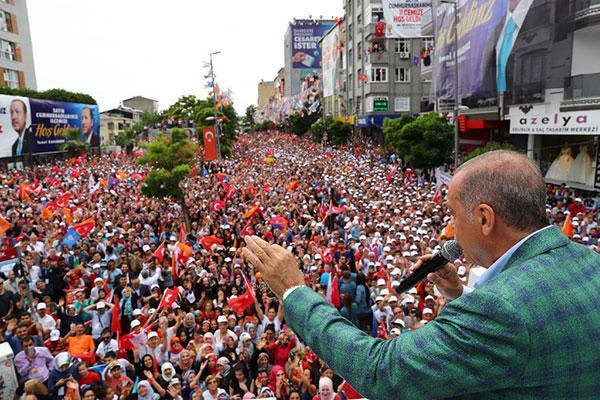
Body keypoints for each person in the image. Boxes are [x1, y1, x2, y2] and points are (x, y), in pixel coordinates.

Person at [243, 150, 600, 399]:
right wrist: (459, 295)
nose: (449, 228)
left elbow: (381, 371)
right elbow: (524, 343)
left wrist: (293, 290)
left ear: (485, 218)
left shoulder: (500, 311)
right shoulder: (589, 262)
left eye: (454, 216)